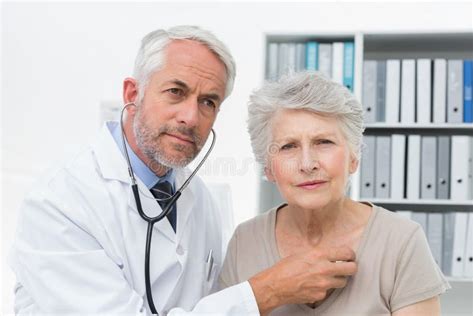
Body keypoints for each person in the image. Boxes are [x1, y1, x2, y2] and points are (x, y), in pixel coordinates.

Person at [9, 26, 357, 315]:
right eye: (176, 92)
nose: (190, 117)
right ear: (133, 93)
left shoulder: (199, 198)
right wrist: (265, 292)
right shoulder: (59, 203)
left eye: (208, 102)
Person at [219, 71, 451, 315]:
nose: (307, 164)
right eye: (288, 146)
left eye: (324, 142)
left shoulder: (402, 241)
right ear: (268, 168)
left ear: (353, 158)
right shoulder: (244, 243)